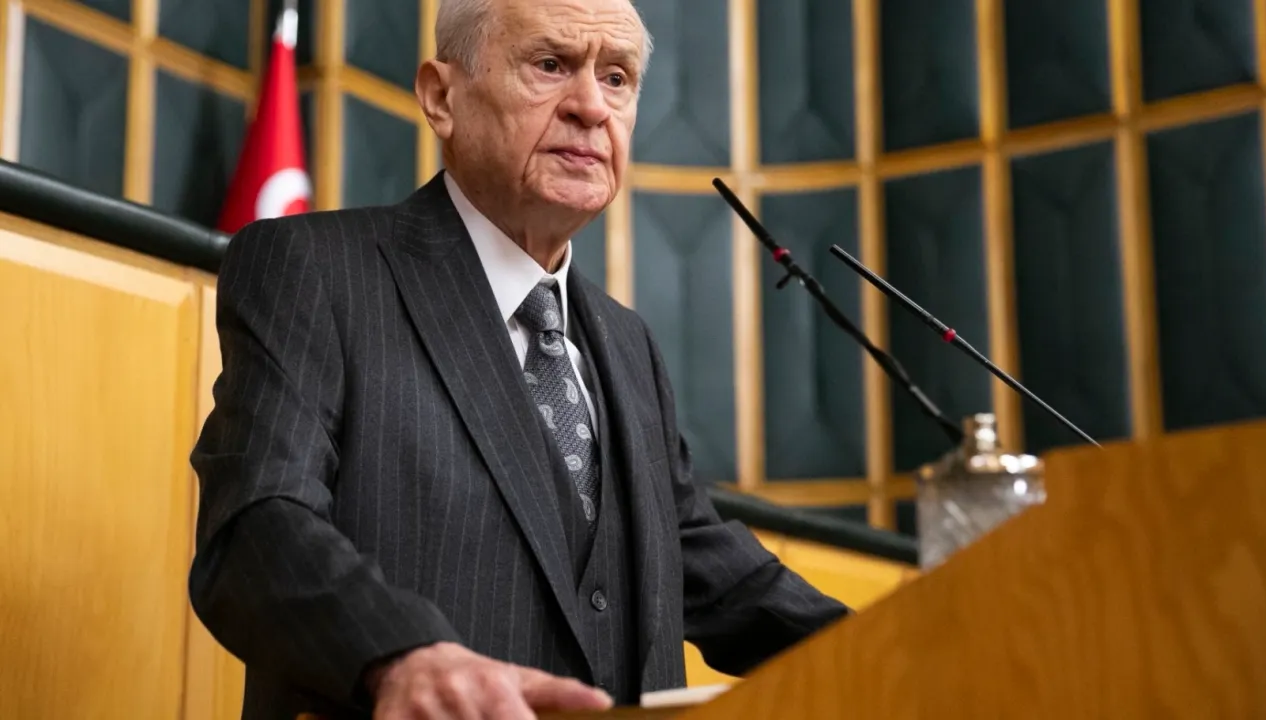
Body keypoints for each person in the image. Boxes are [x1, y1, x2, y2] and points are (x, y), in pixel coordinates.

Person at [188, 0, 850, 718]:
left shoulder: (628, 342)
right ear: (442, 97)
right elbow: (255, 526)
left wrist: (909, 642)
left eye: (617, 78)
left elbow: (704, 566)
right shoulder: (316, 270)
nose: (592, 106)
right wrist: (398, 654)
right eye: (551, 64)